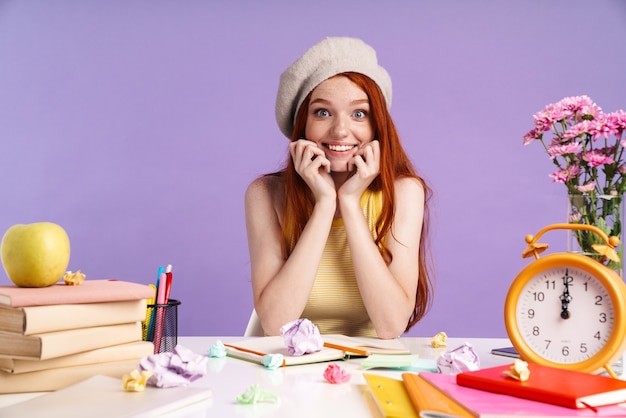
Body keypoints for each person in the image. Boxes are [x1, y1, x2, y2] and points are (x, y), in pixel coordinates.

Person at [245, 37, 433, 339]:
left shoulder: (405, 192)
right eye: (322, 112)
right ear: (302, 124)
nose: (341, 130)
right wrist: (323, 205)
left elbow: (391, 325)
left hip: (369, 366)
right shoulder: (266, 194)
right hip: (286, 368)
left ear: (376, 126)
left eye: (359, 113)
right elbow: (276, 323)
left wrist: (348, 202)